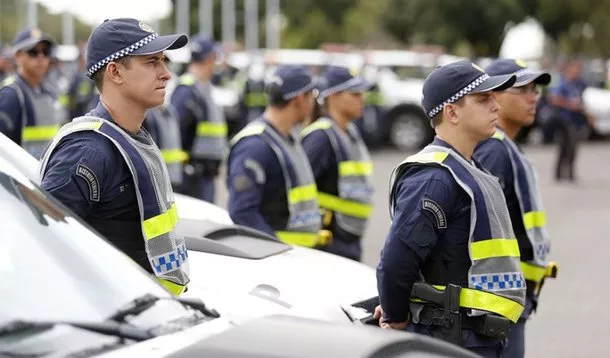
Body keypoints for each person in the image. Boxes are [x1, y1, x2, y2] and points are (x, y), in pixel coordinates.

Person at [375, 60, 525, 358]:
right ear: (451, 112)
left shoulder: (471, 169)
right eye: (483, 99)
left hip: (478, 338)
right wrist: (395, 317)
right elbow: (395, 262)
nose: (496, 106)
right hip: (452, 340)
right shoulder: (434, 177)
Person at [38, 18, 191, 295]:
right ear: (115, 73)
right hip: (115, 323)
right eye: (151, 62)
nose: (166, 73)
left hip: (148, 312)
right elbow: (44, 246)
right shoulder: (88, 151)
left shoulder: (132, 136)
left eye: (163, 61)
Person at [474, 59, 558, 358]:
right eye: (522, 89)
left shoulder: (505, 146)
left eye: (535, 89)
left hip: (512, 298)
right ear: (493, 95)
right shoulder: (493, 149)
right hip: (498, 302)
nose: (533, 96)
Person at [227, 65, 330, 247]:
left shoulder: (287, 138)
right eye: (312, 96)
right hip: (280, 262)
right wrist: (278, 251)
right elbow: (243, 213)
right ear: (299, 99)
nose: (315, 103)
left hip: (299, 257)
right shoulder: (255, 145)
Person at [301, 66, 374, 261]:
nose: (362, 99)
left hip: (348, 238)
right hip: (327, 242)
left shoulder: (350, 132)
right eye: (355, 94)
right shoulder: (320, 138)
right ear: (333, 96)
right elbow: (297, 191)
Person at [171, 35, 228, 203]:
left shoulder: (201, 89)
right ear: (210, 58)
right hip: (194, 178)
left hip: (203, 176)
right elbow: (178, 136)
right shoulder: (187, 91)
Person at [0, 28, 65, 159]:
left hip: (48, 174)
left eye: (45, 52)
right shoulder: (11, 94)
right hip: (21, 177)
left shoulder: (51, 93)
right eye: (33, 52)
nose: (41, 57)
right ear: (17, 56)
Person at [548, 57, 590, 182]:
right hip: (564, 119)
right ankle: (559, 174)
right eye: (575, 69)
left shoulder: (580, 84)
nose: (577, 72)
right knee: (564, 147)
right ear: (569, 69)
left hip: (577, 120)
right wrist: (570, 104)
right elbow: (554, 99)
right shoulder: (562, 83)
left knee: (573, 147)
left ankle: (570, 173)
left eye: (579, 69)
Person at [65, 45, 99, 119]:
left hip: (85, 110)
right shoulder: (75, 75)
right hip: (77, 110)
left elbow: (85, 95)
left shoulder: (87, 76)